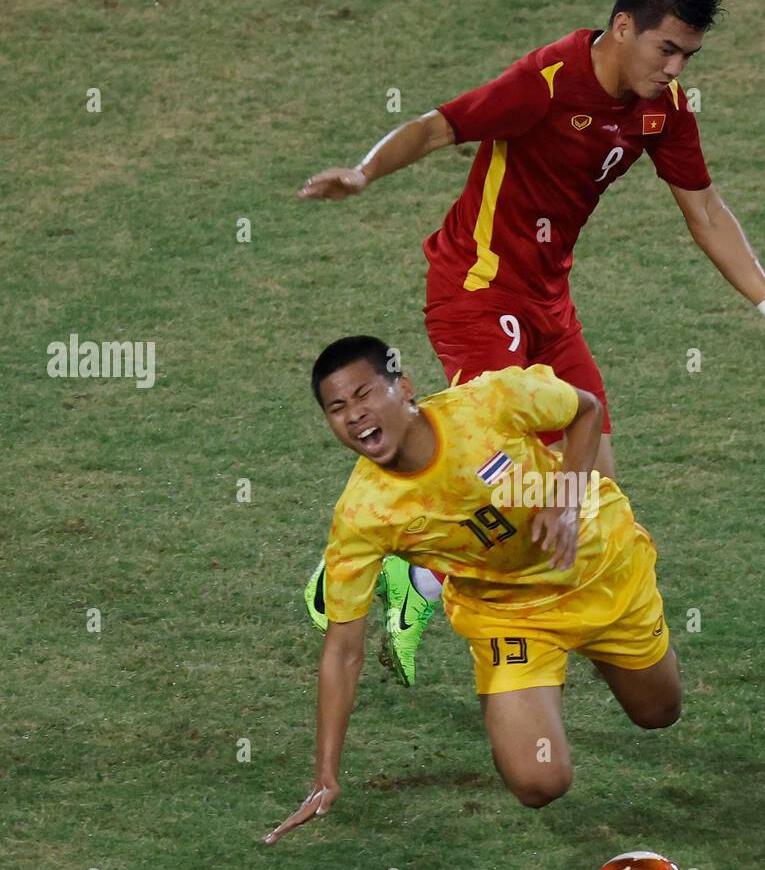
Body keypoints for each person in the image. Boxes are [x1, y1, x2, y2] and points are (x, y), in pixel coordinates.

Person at [298, 0, 765, 684]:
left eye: (688, 54)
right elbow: (437, 127)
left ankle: (468, 593)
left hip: (549, 303)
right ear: (623, 26)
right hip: (479, 291)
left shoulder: (662, 111)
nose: (676, 67)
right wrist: (364, 172)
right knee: (516, 480)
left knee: (590, 494)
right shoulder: (546, 82)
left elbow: (705, 210)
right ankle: (412, 579)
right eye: (667, 48)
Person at [264, 336, 680, 844]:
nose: (354, 415)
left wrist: (568, 499)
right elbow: (343, 651)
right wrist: (325, 774)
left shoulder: (489, 402)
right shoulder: (363, 515)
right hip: (508, 614)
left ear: (405, 389)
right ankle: (525, 699)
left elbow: (585, 410)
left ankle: (587, 658)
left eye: (365, 394)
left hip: (601, 568)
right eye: (337, 407)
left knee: (658, 713)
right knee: (538, 782)